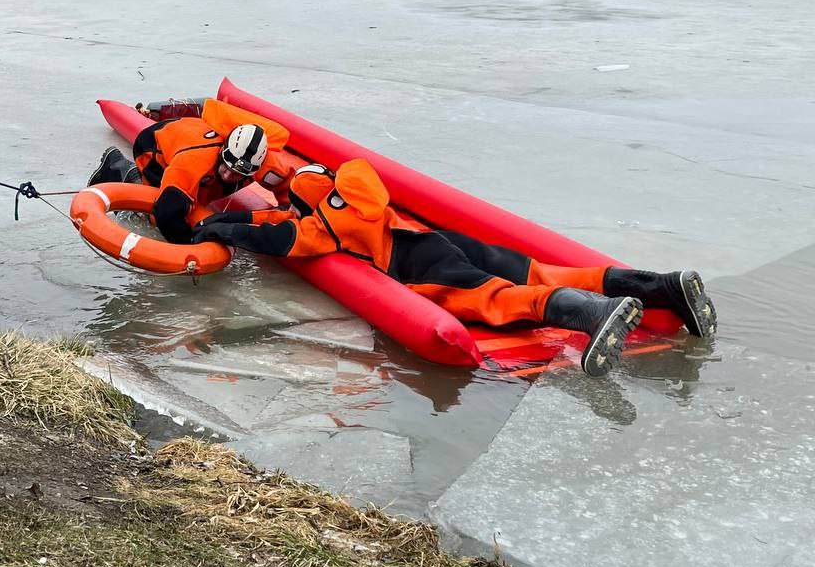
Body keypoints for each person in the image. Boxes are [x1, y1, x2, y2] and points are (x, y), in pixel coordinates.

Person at [192, 159, 717, 377]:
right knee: (542, 271)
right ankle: (663, 287)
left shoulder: (314, 227)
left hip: (415, 267)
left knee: (495, 299)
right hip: (435, 238)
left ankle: (592, 314)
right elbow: (335, 178)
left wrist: (218, 228)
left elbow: (268, 235)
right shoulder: (356, 184)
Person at [88, 98, 297, 243]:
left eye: (237, 174)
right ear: (223, 151)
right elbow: (167, 214)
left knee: (202, 197)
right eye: (226, 166)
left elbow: (289, 189)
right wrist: (191, 246)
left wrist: (290, 213)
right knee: (155, 217)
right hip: (156, 145)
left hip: (191, 137)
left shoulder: (268, 166)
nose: (228, 175)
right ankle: (116, 166)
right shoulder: (194, 161)